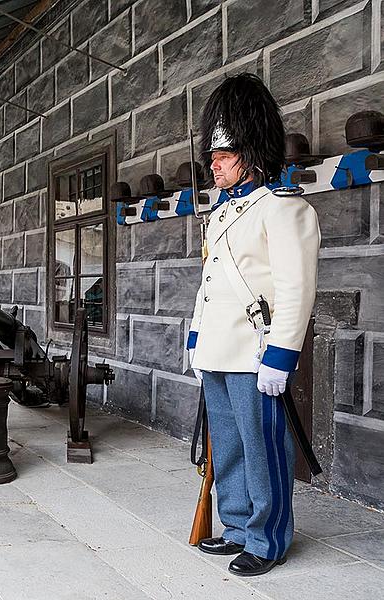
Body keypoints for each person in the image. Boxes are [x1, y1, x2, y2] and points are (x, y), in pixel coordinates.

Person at [187, 73, 320, 577]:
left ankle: (269, 539)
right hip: (219, 350)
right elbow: (210, 283)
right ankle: (239, 527)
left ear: (251, 152)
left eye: (223, 154)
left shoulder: (285, 210)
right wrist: (197, 341)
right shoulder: (222, 213)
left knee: (264, 449)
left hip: (256, 352)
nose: (213, 164)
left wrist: (282, 355)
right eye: (212, 155)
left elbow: (295, 289)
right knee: (231, 445)